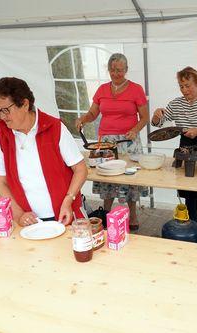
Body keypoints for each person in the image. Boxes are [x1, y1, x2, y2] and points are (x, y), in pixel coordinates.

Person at [0, 77, 87, 226]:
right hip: (29, 220)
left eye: (6, 110)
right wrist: (19, 214)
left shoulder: (54, 127)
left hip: (64, 214)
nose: (2, 117)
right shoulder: (1, 135)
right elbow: (1, 182)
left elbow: (80, 169)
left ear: (25, 104)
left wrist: (69, 198)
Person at [75, 53, 149, 230]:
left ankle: (133, 214)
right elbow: (93, 114)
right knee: (107, 177)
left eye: (120, 70)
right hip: (106, 141)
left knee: (129, 177)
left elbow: (144, 117)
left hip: (128, 140)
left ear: (126, 70)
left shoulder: (136, 89)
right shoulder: (102, 90)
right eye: (113, 70)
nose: (116, 73)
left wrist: (135, 130)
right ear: (108, 70)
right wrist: (83, 119)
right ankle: (105, 213)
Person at [151, 66, 197, 229]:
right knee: (188, 189)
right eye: (181, 86)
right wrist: (156, 116)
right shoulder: (176, 104)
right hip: (185, 146)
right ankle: (192, 225)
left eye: (188, 85)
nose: (184, 90)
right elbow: (159, 124)